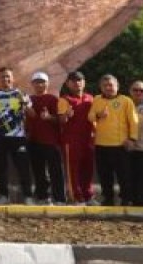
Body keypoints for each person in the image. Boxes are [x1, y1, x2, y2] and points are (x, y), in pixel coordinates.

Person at [88, 74, 137, 207]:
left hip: (120, 145)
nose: (108, 88)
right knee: (104, 175)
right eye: (105, 85)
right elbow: (90, 116)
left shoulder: (126, 100)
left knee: (124, 175)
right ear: (101, 87)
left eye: (111, 85)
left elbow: (133, 121)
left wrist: (132, 138)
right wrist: (99, 115)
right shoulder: (97, 99)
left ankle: (126, 199)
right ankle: (108, 199)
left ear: (117, 86)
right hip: (101, 144)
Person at [0, 66, 32, 205]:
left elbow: (31, 114)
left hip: (18, 136)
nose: (5, 79)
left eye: (8, 76)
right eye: (2, 77)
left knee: (23, 167)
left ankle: (28, 196)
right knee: (0, 167)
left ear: (13, 78)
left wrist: (26, 105)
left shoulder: (21, 93)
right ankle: (3, 195)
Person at [24, 71, 65, 205]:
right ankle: (43, 197)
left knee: (55, 171)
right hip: (33, 140)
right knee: (38, 171)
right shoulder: (27, 100)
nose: (39, 85)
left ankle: (59, 198)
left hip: (51, 141)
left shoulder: (53, 99)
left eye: (42, 82)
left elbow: (60, 119)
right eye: (36, 82)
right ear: (32, 84)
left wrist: (49, 117)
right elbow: (26, 118)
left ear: (47, 83)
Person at [58, 71, 96, 205]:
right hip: (71, 140)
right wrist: (67, 115)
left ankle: (88, 196)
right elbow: (61, 120)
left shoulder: (91, 98)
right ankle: (76, 197)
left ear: (84, 82)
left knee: (88, 168)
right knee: (73, 169)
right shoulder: (64, 99)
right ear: (68, 84)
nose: (77, 83)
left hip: (88, 139)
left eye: (79, 80)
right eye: (73, 81)